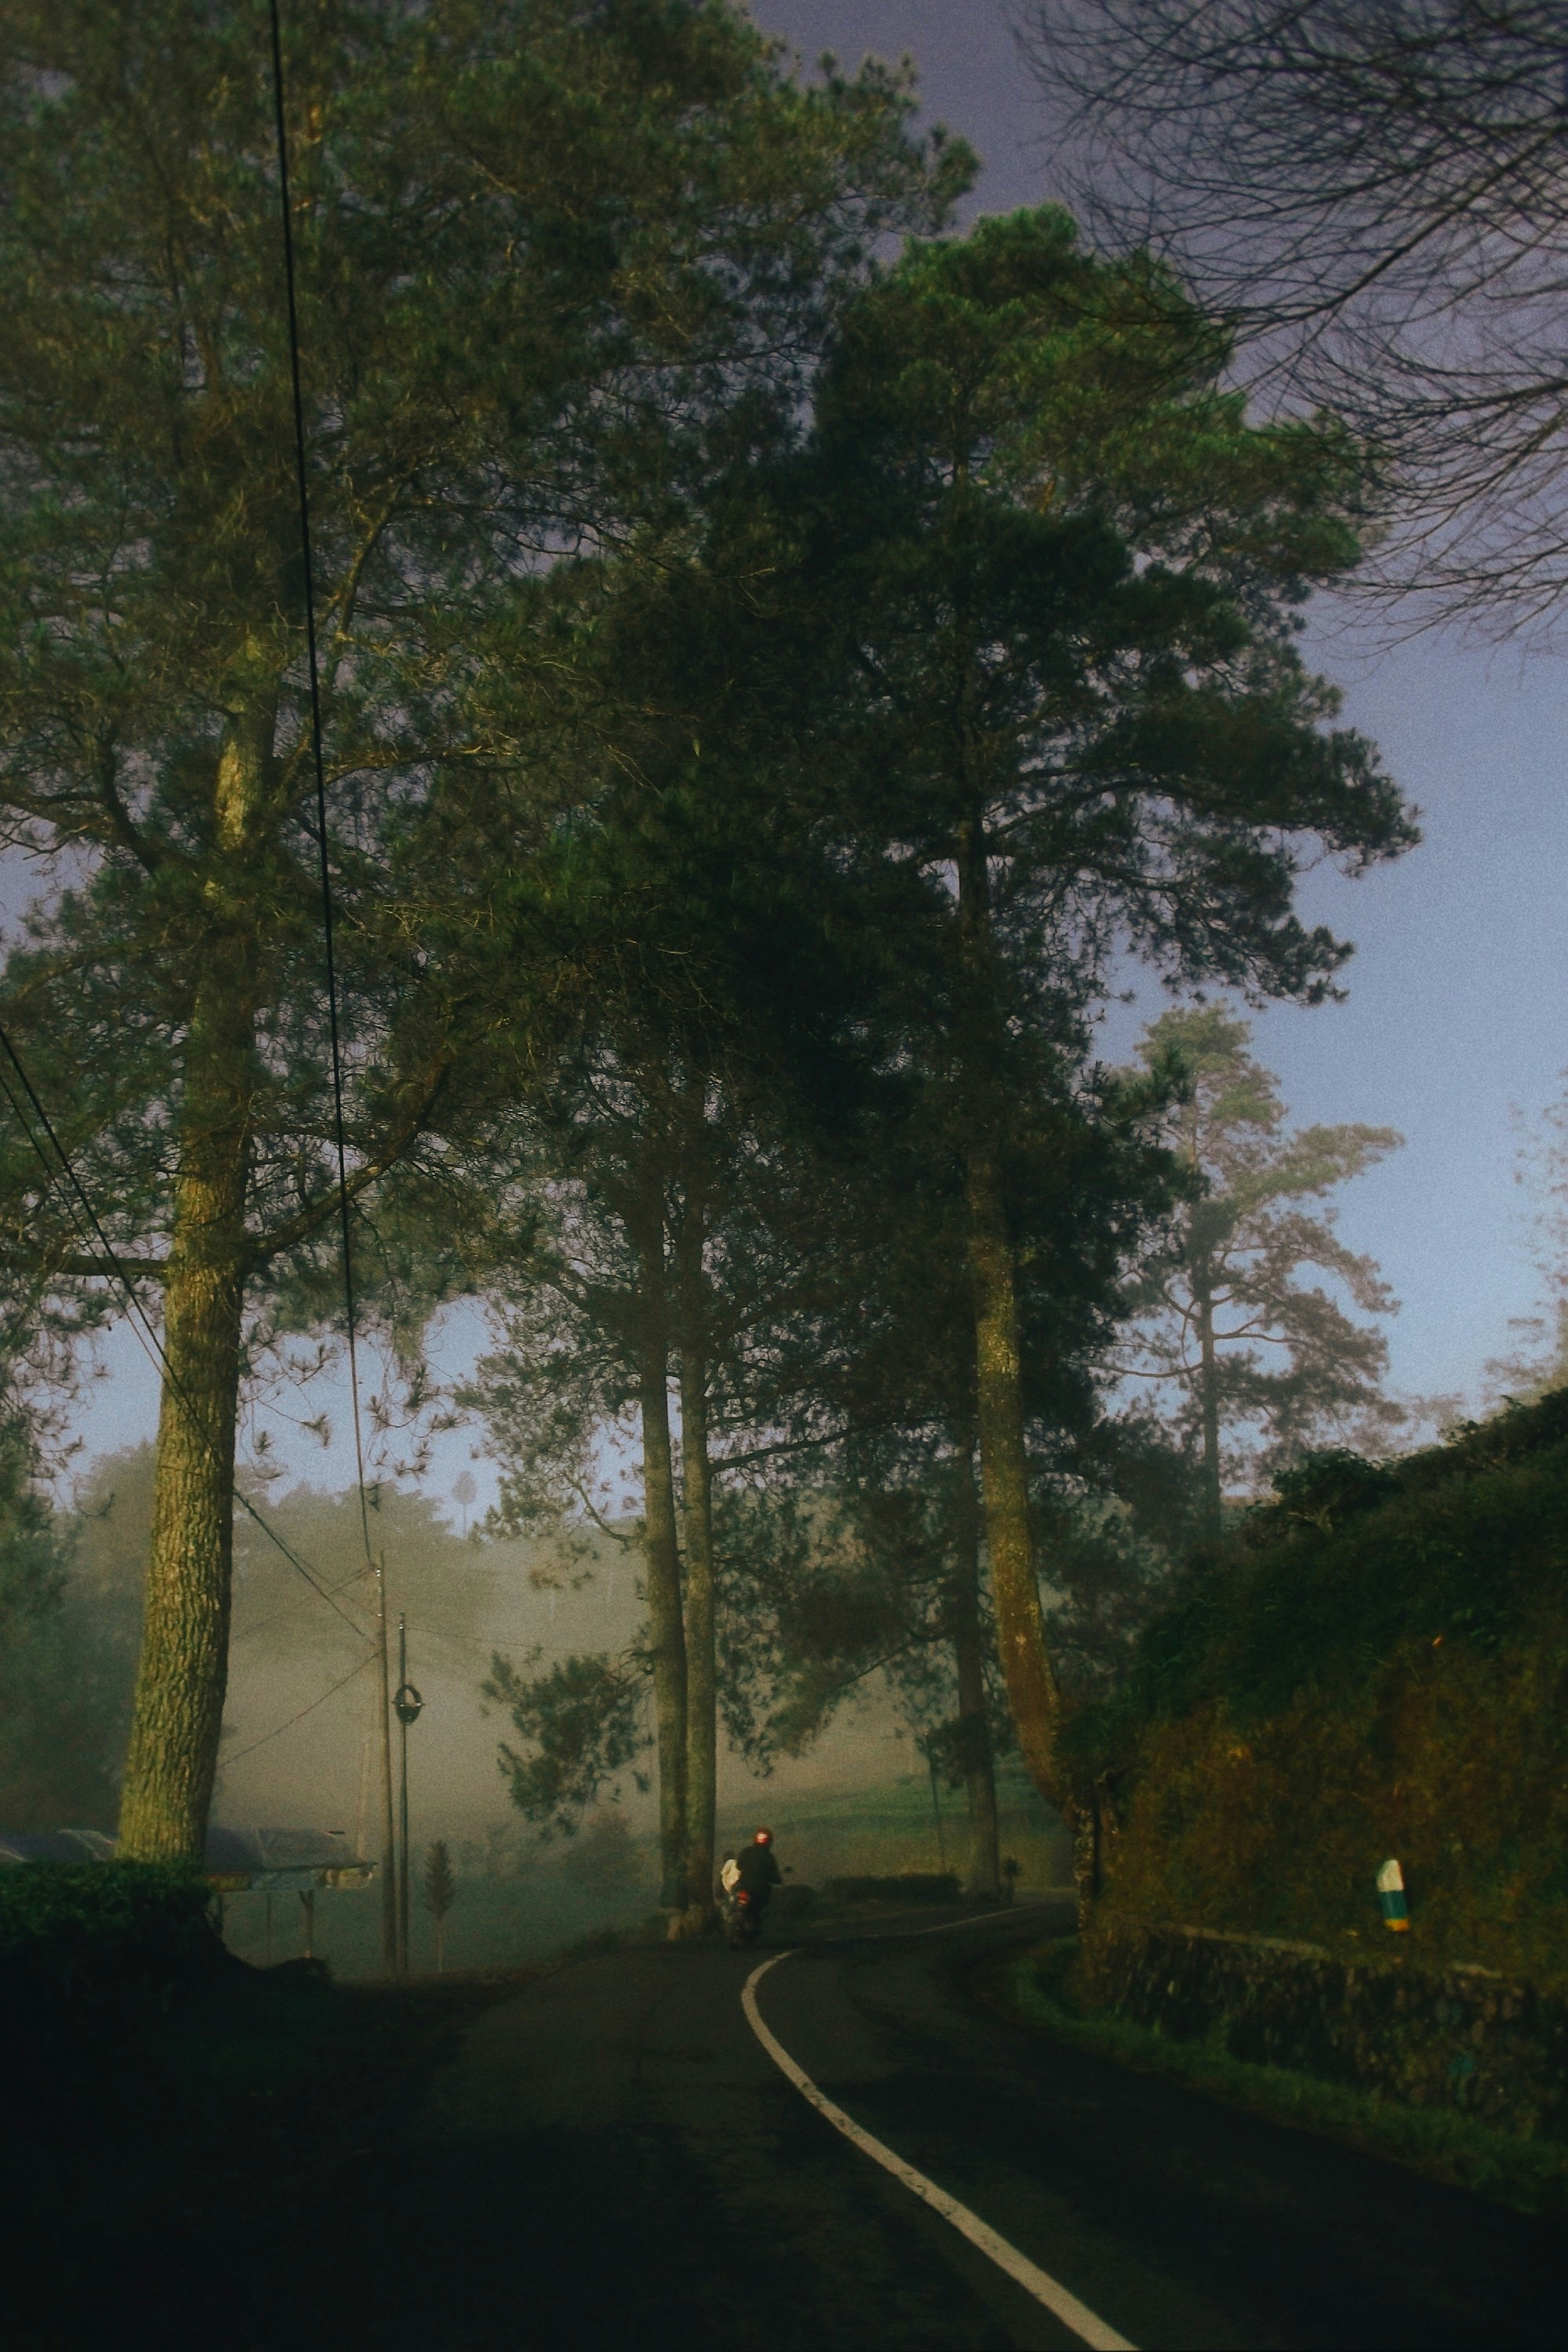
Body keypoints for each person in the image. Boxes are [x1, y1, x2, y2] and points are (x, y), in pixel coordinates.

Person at [724, 1827, 782, 1918]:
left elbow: (739, 1866)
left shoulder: (746, 1851)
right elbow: (775, 1877)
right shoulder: (769, 1857)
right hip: (759, 1891)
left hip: (743, 1887)